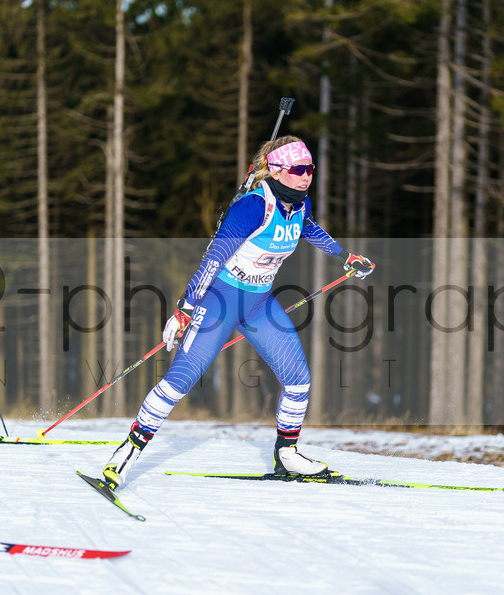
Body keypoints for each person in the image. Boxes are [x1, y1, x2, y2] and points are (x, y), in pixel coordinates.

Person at [102, 135, 375, 489]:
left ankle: (287, 455)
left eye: (310, 168)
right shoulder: (253, 207)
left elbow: (308, 228)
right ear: (276, 171)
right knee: (180, 380)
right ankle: (126, 453)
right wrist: (186, 308)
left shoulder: (301, 203)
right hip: (221, 301)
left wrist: (345, 256)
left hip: (259, 304)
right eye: (297, 169)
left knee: (298, 379)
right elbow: (214, 258)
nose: (306, 176)